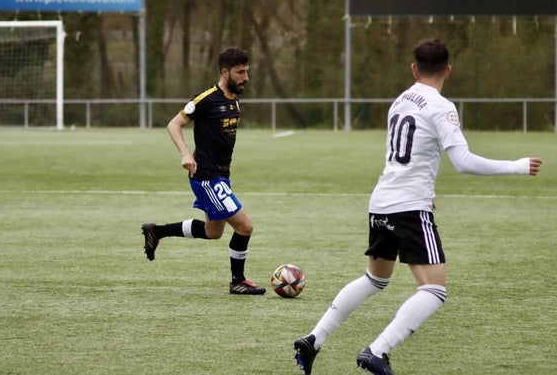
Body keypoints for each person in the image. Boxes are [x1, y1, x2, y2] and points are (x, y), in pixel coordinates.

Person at [293, 38, 543, 375]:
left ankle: (313, 338)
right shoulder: (441, 106)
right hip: (408, 207)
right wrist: (515, 166)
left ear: (414, 68)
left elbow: (407, 157)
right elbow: (463, 162)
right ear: (448, 70)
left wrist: (425, 189)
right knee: (434, 290)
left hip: (382, 201)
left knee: (374, 279)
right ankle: (377, 351)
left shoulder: (399, 101)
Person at [141, 46, 266, 296]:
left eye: (247, 71)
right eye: (240, 72)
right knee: (245, 227)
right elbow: (174, 124)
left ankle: (157, 231)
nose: (246, 77)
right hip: (207, 177)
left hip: (221, 176)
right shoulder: (206, 98)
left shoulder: (234, 99)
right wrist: (186, 154)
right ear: (225, 71)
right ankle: (237, 281)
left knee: (213, 232)